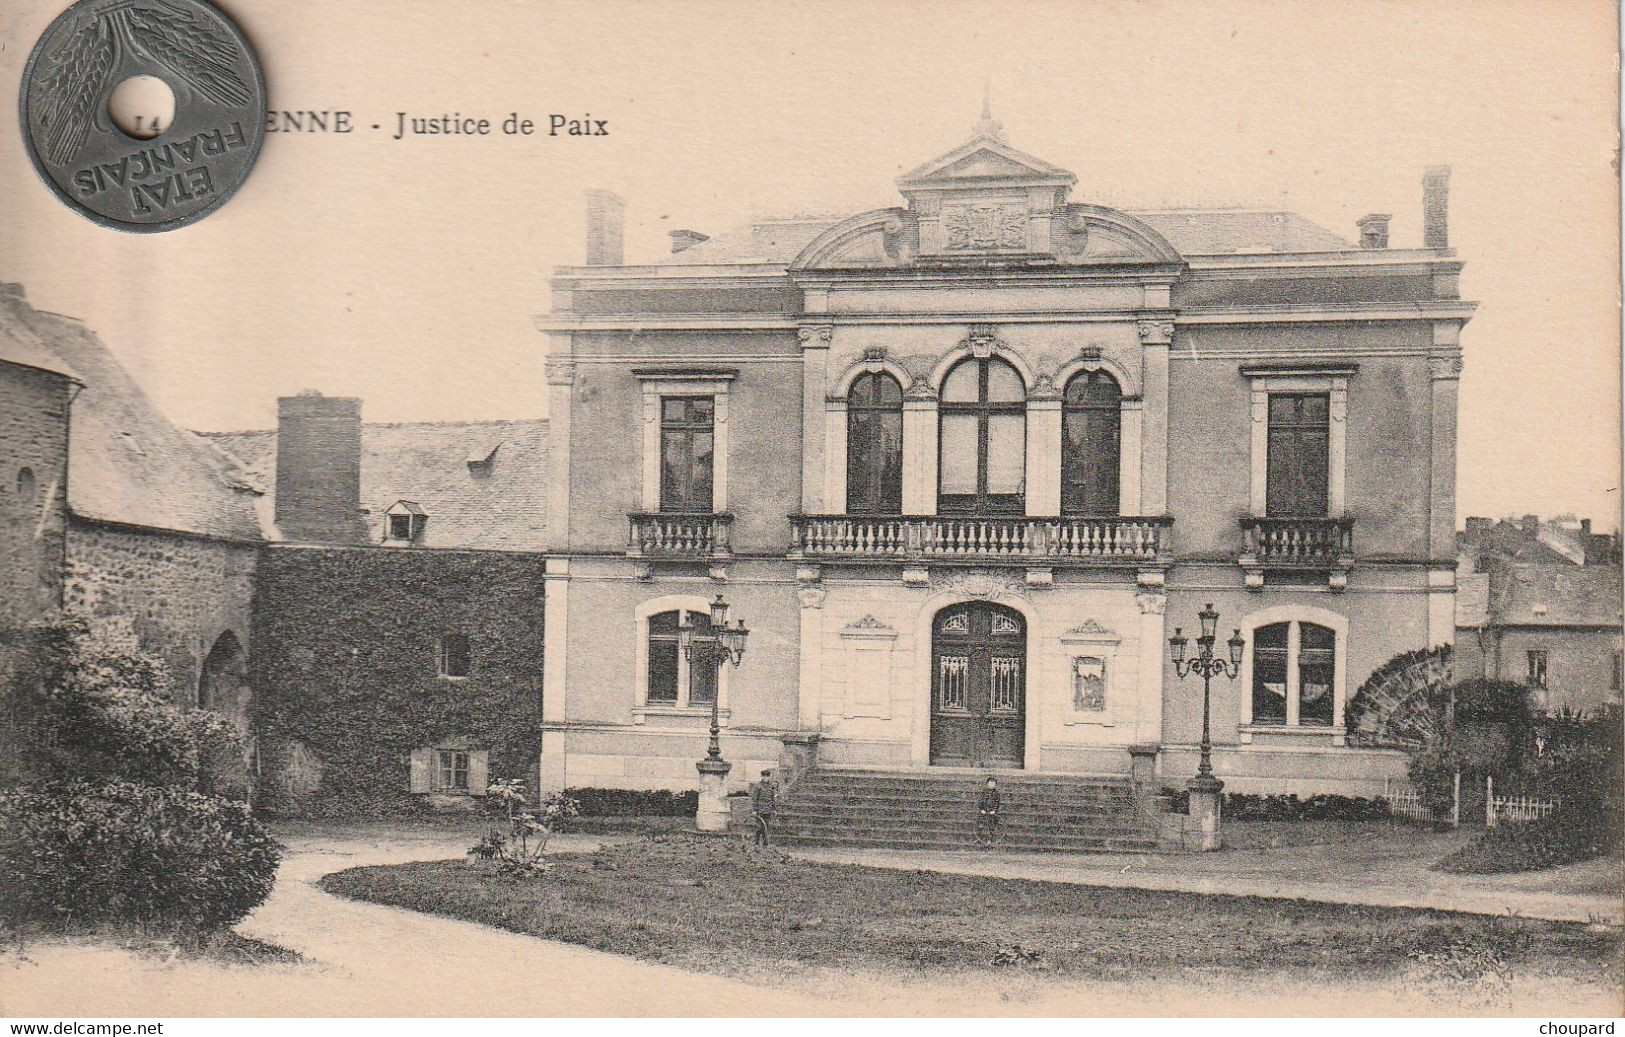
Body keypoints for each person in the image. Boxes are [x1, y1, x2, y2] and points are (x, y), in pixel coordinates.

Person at [750, 769, 778, 847]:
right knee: (758, 827)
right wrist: (754, 810)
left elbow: (773, 799)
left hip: (768, 810)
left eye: (767, 776)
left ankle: (765, 844)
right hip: (760, 810)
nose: (765, 778)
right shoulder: (758, 786)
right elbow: (755, 799)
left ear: (769, 777)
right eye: (764, 776)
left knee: (766, 827)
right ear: (761, 777)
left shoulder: (772, 786)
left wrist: (774, 809)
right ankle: (756, 843)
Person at [976, 776, 1000, 845]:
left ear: (995, 785)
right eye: (990, 783)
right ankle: (979, 840)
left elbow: (997, 803)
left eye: (993, 784)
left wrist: (994, 811)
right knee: (981, 825)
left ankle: (990, 840)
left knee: (991, 826)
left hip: (991, 812)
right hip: (984, 811)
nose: (991, 785)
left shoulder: (996, 793)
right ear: (987, 784)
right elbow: (980, 801)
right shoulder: (984, 792)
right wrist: (981, 809)